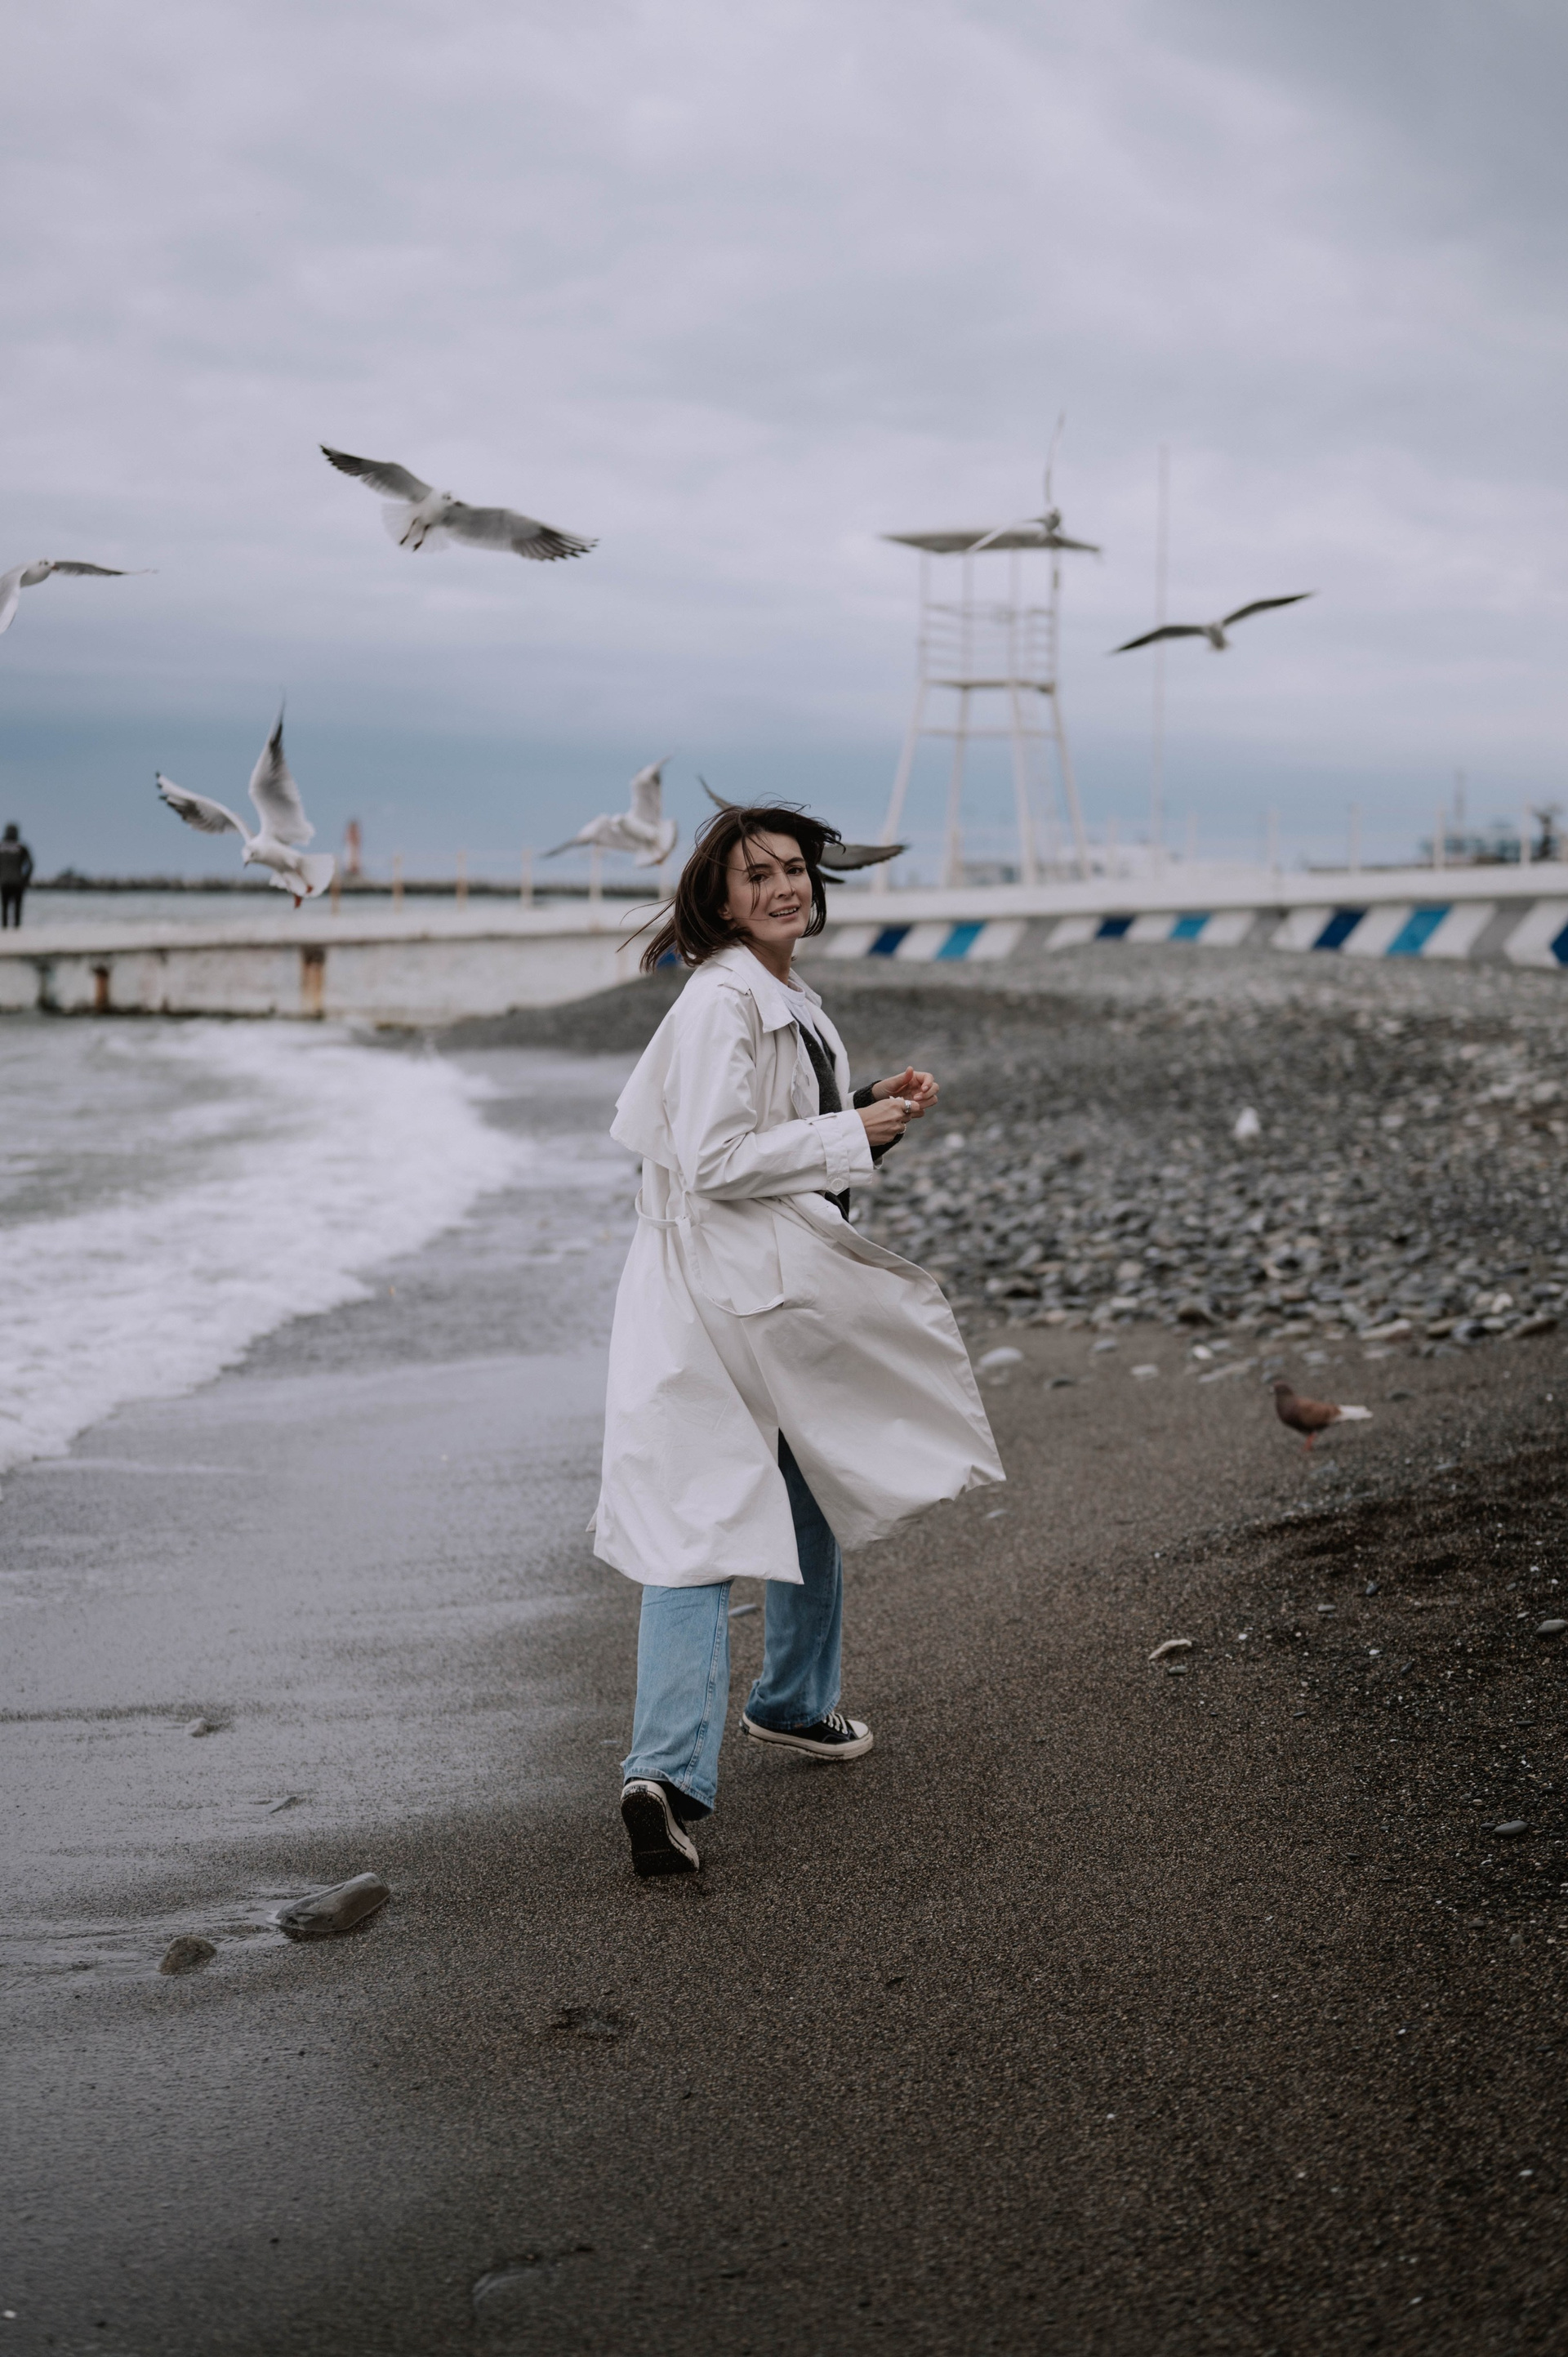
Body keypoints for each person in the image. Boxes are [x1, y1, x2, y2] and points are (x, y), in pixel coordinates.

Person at [595, 804, 1004, 1876]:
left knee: (798, 1480)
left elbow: (768, 1135)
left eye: (794, 869)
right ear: (723, 900)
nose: (784, 886)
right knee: (700, 1518)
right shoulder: (722, 1000)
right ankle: (664, 1773)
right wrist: (847, 1130)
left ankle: (788, 1703)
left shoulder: (774, 994)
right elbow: (714, 1160)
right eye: (759, 874)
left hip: (754, 1284)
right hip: (717, 1295)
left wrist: (862, 1108)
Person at [0, 824, 33, 928]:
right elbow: (30, 865)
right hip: (18, 881)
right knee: (17, 909)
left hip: (4, 881)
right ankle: (17, 929)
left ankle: (5, 929)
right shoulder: (21, 848)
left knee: (5, 908)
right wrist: (26, 879)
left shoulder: (1, 847)